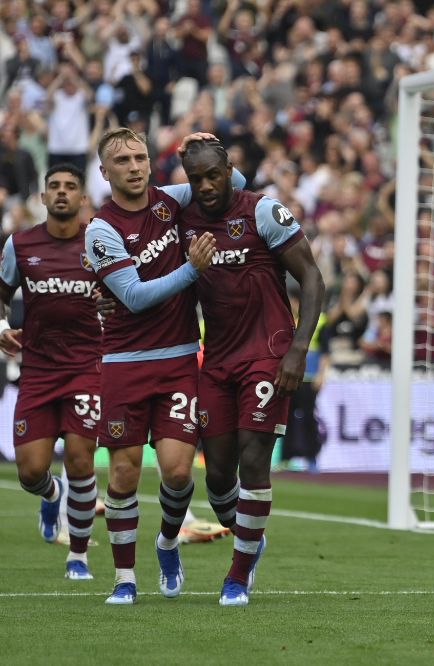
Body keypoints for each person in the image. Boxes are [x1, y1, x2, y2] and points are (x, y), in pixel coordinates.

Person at [84, 127, 243, 605]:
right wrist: (192, 269)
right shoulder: (101, 228)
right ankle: (125, 579)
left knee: (176, 474)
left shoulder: (172, 200)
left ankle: (168, 542)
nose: (134, 166)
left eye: (140, 157)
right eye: (123, 160)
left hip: (177, 359)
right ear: (104, 170)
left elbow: (236, 179)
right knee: (123, 477)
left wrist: (204, 149)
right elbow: (132, 297)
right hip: (123, 364)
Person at [178, 138, 324, 606]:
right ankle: (250, 537)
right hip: (216, 359)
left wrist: (298, 350)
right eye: (195, 178)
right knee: (218, 477)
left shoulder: (263, 212)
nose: (204, 185)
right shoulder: (184, 222)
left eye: (212, 175)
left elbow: (314, 278)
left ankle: (237, 577)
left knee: (254, 459)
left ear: (229, 171)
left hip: (268, 352)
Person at [0, 163, 101, 580]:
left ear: (82, 198)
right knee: (30, 472)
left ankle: (77, 555)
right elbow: (1, 295)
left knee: (80, 461)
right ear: (42, 198)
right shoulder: (19, 245)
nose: (62, 193)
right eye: (54, 187)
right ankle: (50, 495)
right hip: (38, 370)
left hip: (86, 368)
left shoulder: (100, 244)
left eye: (70, 187)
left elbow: (126, 293)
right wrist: (3, 329)